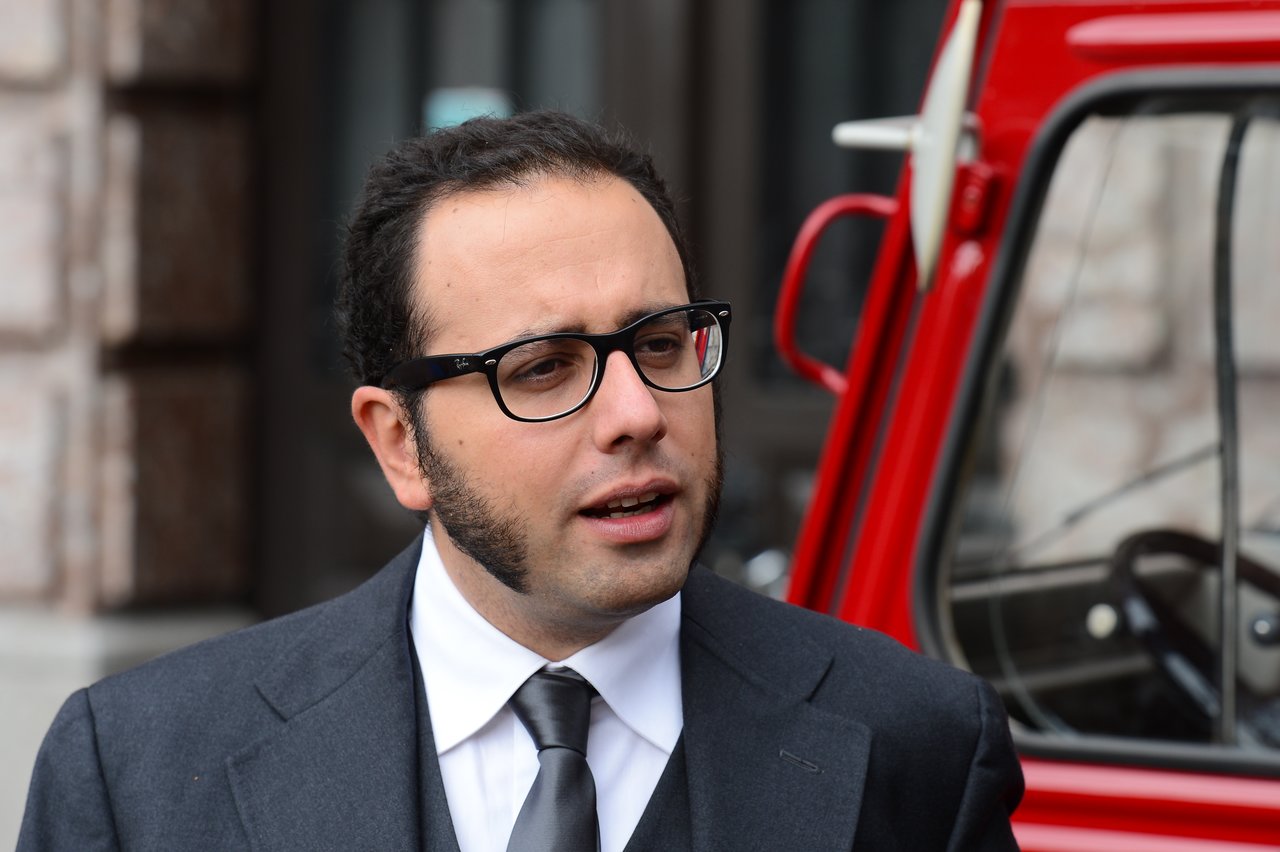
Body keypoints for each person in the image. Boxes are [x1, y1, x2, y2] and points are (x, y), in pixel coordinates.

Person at [19, 111, 1023, 851]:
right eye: (542, 369)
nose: (636, 413)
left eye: (662, 344)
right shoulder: (137, 773)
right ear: (398, 442)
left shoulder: (916, 743)